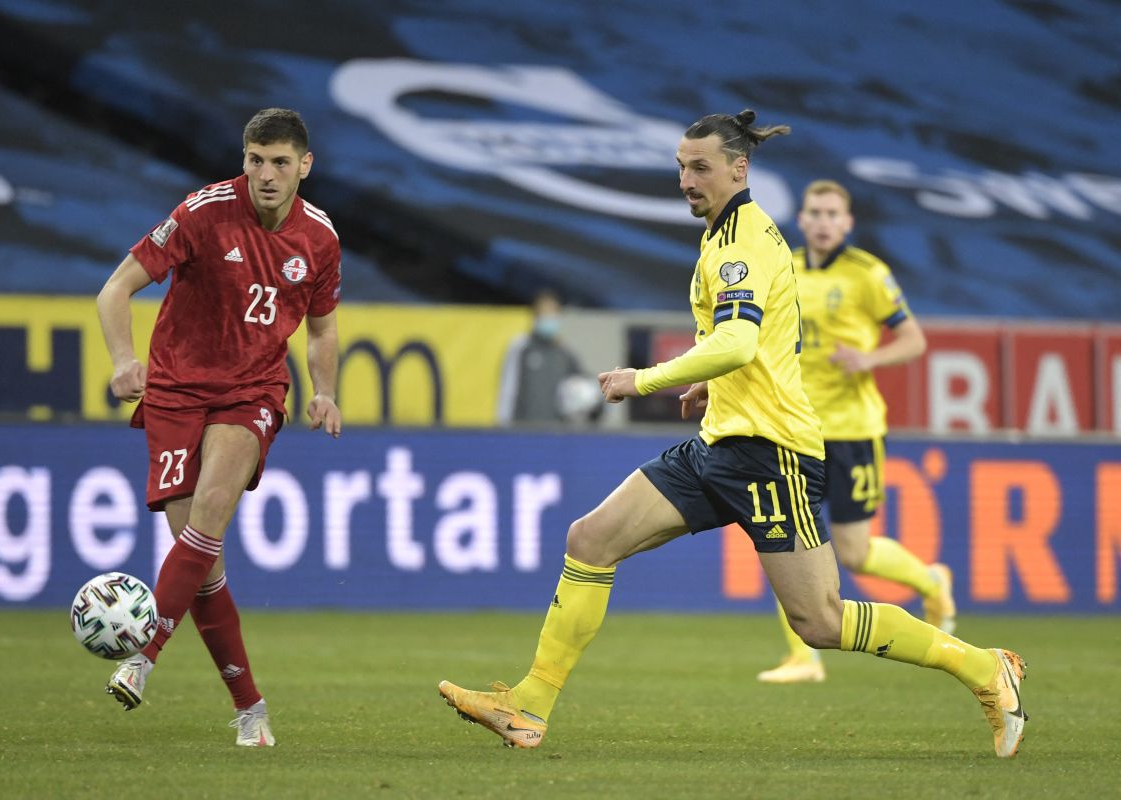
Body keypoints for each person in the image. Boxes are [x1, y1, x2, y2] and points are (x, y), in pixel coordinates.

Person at [437, 110, 1027, 758]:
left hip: (772, 455)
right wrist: (713, 386)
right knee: (591, 538)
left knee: (821, 621)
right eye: (681, 167)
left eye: (700, 167)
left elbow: (740, 338)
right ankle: (528, 706)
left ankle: (983, 667)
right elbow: (763, 343)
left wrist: (648, 379)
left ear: (738, 170)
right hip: (721, 442)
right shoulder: (724, 237)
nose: (687, 180)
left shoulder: (744, 238)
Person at [95, 107, 342, 747]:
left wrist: (326, 392)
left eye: (280, 162)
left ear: (304, 166)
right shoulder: (203, 212)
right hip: (175, 390)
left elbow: (322, 328)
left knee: (210, 511)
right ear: (245, 159)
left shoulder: (320, 238)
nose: (265, 174)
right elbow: (114, 290)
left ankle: (141, 656)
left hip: (252, 389)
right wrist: (125, 361)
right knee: (203, 566)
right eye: (255, 160)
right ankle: (250, 708)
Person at [757, 179, 953, 684]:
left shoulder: (868, 274)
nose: (822, 222)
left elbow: (912, 340)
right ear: (800, 219)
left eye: (831, 214)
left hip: (853, 430)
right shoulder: (783, 268)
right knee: (781, 535)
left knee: (853, 552)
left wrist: (868, 358)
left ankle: (931, 581)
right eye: (814, 212)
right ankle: (803, 657)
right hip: (795, 425)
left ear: (847, 223)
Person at [496, 288, 596, 426]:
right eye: (544, 313)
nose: (549, 317)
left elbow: (585, 387)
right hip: (523, 432)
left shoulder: (565, 353)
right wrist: (504, 428)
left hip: (556, 435)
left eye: (553, 313)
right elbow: (508, 392)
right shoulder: (520, 348)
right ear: (535, 316)